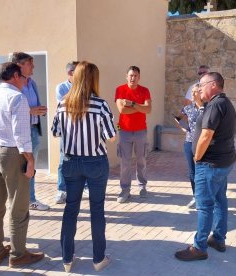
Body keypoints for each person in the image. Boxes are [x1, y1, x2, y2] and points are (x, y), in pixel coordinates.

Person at [0, 62, 44, 267]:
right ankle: (18, 254)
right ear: (15, 76)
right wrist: (30, 161)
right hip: (13, 153)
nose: (25, 80)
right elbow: (21, 135)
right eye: (23, 76)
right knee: (19, 205)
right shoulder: (17, 98)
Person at [51, 61, 116, 273]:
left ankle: (67, 259)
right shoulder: (100, 105)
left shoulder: (62, 103)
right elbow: (111, 137)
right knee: (97, 211)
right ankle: (98, 259)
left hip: (70, 162)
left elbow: (55, 132)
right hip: (95, 162)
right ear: (93, 79)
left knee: (71, 210)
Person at [175, 72, 236, 261]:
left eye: (201, 85)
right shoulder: (224, 103)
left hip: (209, 164)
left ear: (213, 85)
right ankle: (218, 239)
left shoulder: (216, 105)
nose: (199, 88)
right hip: (223, 162)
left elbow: (205, 135)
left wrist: (196, 156)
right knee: (219, 201)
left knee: (204, 206)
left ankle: (199, 247)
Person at [11, 52, 49, 211]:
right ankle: (19, 201)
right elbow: (11, 110)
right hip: (19, 133)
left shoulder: (32, 83)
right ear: (20, 65)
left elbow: (34, 106)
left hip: (33, 131)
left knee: (31, 168)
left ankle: (31, 199)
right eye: (30, 63)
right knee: (19, 168)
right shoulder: (12, 85)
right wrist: (31, 111)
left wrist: (41, 111)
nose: (33, 66)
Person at [115, 66, 152, 203]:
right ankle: (125, 190)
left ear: (139, 77)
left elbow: (148, 109)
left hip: (141, 131)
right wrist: (139, 107)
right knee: (125, 162)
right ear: (126, 76)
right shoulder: (120, 90)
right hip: (124, 131)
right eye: (131, 75)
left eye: (135, 75)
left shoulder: (145, 90)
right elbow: (122, 110)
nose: (133, 78)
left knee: (141, 160)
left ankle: (142, 186)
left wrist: (132, 104)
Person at [174, 84, 204, 209]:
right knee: (192, 172)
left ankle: (204, 196)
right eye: (191, 91)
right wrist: (183, 128)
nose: (192, 94)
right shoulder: (188, 108)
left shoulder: (207, 108)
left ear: (200, 93)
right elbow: (176, 118)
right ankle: (196, 196)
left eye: (194, 91)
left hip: (203, 143)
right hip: (189, 142)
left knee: (202, 171)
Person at [55, 61, 80, 204]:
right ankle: (61, 190)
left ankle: (86, 187)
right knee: (63, 161)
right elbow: (63, 105)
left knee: (84, 158)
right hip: (66, 131)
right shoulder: (61, 87)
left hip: (83, 130)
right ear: (70, 73)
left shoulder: (85, 87)